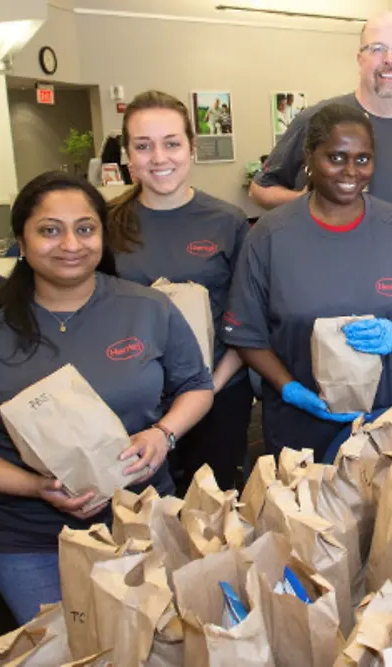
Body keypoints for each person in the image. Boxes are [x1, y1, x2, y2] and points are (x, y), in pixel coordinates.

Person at [0, 172, 213, 624]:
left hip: (143, 520)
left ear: (102, 235)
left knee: (155, 645)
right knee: (65, 651)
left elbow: (197, 386)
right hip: (30, 540)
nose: (71, 244)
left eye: (85, 228)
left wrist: (163, 435)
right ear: (21, 240)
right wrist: (36, 486)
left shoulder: (149, 308)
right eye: (49, 230)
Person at [224, 103, 392, 461]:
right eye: (336, 157)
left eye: (362, 159)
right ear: (310, 157)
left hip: (383, 421)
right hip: (300, 424)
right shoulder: (271, 235)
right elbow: (246, 334)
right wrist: (288, 386)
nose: (350, 171)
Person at [108, 90, 251, 493]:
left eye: (171, 143)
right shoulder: (106, 226)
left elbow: (246, 321)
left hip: (219, 393)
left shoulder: (228, 222)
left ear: (191, 147)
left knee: (212, 513)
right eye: (143, 146)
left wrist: (207, 390)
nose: (159, 157)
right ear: (128, 156)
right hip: (135, 403)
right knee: (142, 518)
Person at [249, 12, 392, 226]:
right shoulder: (317, 119)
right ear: (360, 60)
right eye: (377, 48)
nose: (389, 59)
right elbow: (259, 189)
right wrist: (306, 202)